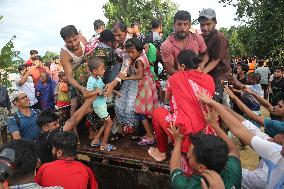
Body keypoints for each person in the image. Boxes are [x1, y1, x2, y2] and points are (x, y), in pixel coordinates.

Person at [199, 92, 284, 189]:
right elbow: (241, 129)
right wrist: (215, 105)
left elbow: (239, 176)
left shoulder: (263, 177)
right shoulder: (276, 151)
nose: (269, 140)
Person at [148, 50, 215, 162]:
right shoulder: (209, 79)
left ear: (182, 66)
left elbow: (166, 99)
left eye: (177, 65)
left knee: (157, 112)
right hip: (207, 136)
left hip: (185, 139)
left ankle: (162, 152)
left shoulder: (175, 78)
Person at [169, 103, 241, 188]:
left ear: (202, 168)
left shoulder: (186, 186)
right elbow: (233, 149)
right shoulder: (233, 171)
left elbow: (174, 168)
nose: (187, 155)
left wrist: (178, 141)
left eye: (190, 156)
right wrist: (214, 124)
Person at [118, 38, 158, 145]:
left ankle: (150, 136)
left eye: (132, 52)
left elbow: (139, 76)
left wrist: (125, 78)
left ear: (139, 51)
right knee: (147, 112)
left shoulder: (138, 61)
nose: (130, 54)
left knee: (140, 112)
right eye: (128, 52)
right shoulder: (143, 57)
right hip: (149, 85)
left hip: (144, 87)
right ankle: (151, 133)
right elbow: (150, 64)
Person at [35, 95, 95, 164]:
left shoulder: (41, 138)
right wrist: (89, 100)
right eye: (54, 124)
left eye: (58, 123)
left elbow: (71, 121)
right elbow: (73, 121)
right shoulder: (49, 136)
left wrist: (84, 110)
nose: (58, 126)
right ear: (45, 127)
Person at [160, 10, 208, 76]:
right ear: (174, 25)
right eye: (179, 24)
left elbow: (205, 54)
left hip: (197, 77)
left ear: (189, 25)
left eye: (185, 24)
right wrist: (188, 76)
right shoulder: (166, 45)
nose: (182, 28)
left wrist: (202, 64)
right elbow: (170, 69)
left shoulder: (197, 38)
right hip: (177, 80)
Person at [198, 8, 230, 102]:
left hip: (220, 76)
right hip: (210, 74)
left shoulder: (219, 37)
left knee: (216, 103)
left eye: (208, 24)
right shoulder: (205, 37)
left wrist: (201, 74)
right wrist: (201, 65)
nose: (204, 27)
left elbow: (215, 60)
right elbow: (206, 55)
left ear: (215, 23)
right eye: (202, 24)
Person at [86, 58, 115, 151]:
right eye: (102, 69)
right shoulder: (91, 80)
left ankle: (96, 139)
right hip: (98, 105)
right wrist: (96, 91)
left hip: (102, 104)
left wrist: (107, 87)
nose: (104, 70)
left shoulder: (98, 78)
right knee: (110, 123)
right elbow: (87, 94)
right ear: (95, 70)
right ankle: (104, 145)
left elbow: (102, 89)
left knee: (106, 123)